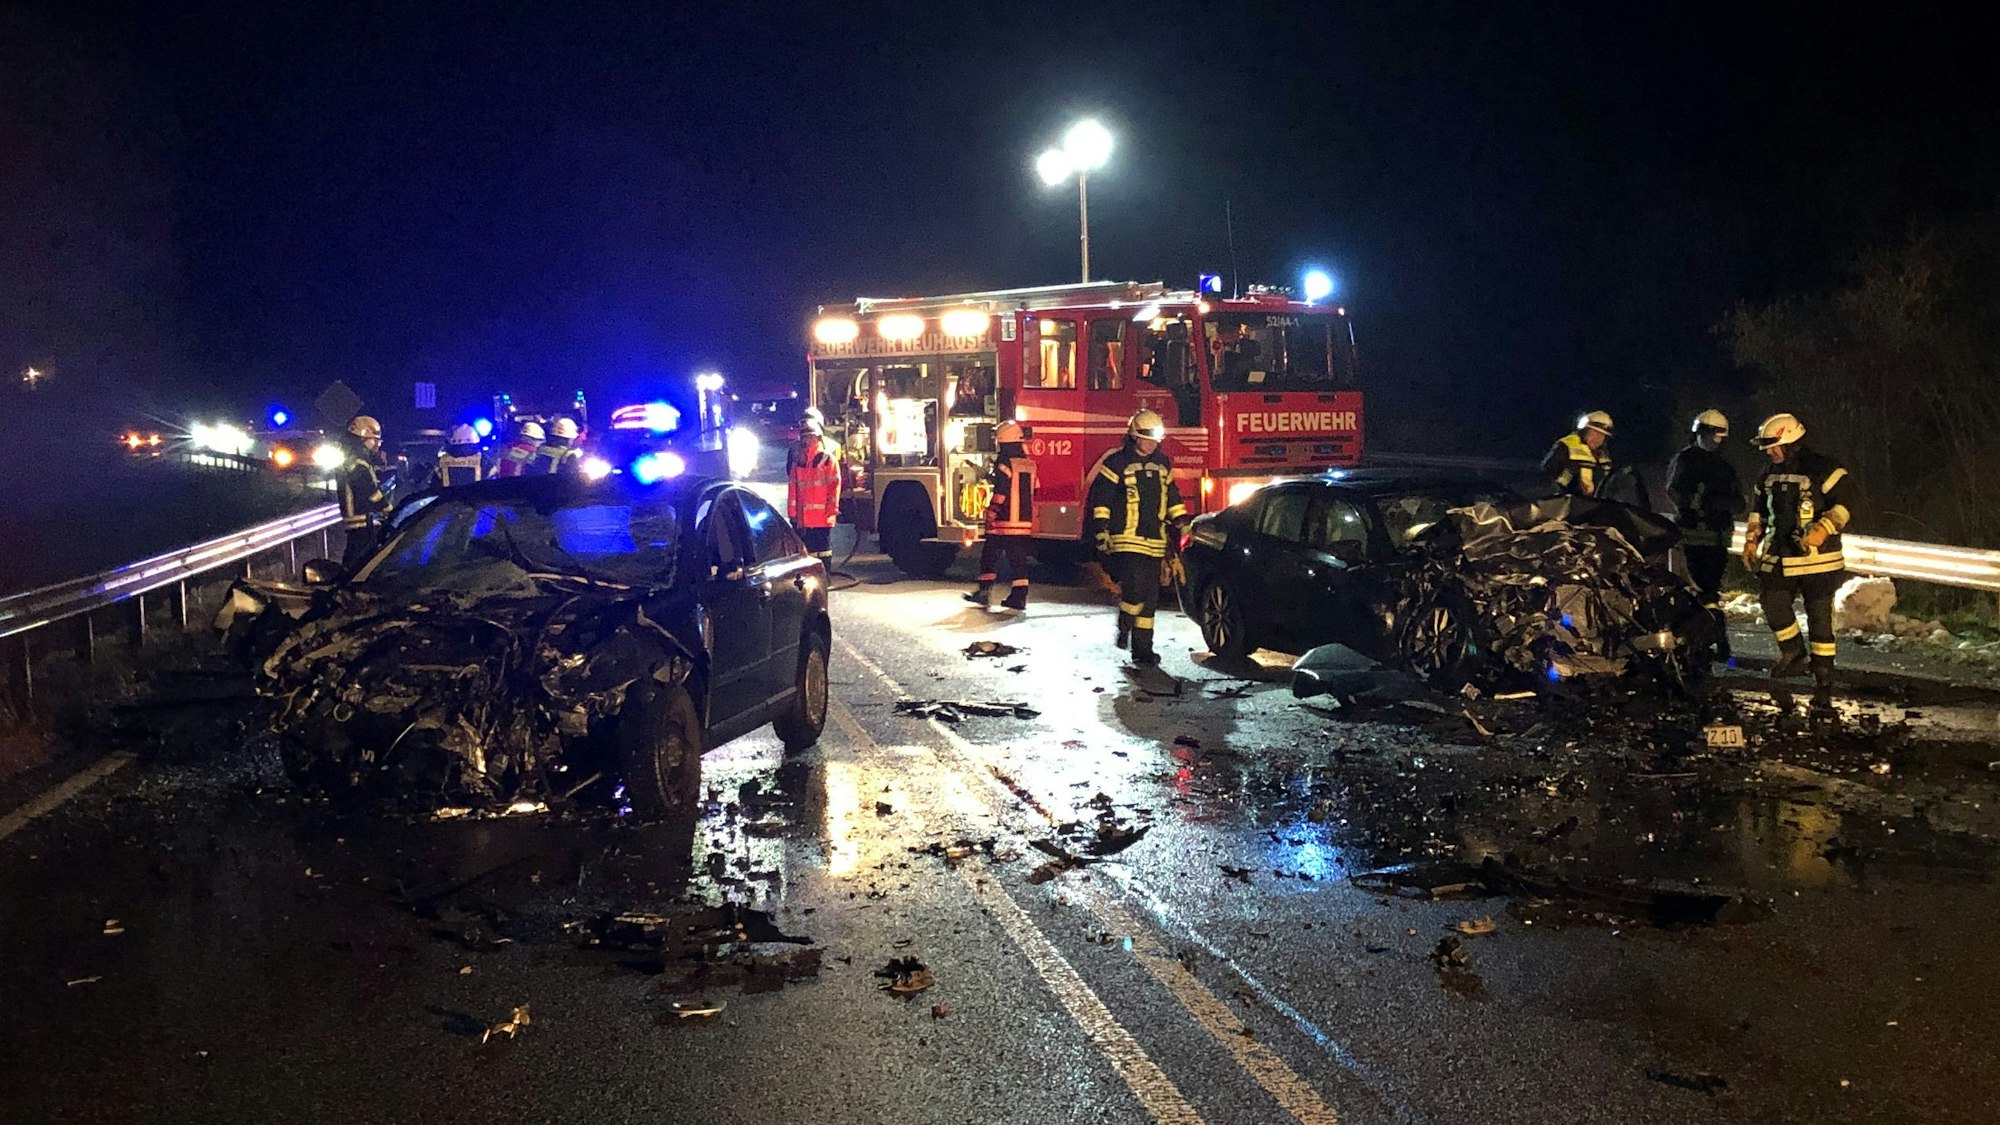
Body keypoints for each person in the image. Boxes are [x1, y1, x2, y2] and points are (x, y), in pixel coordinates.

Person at [1742, 413, 1852, 703]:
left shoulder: (1824, 469)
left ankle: (1823, 670)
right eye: (1766, 448)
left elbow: (1844, 506)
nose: (1769, 452)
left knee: (1819, 616)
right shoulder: (1767, 474)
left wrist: (1824, 528)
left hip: (1819, 559)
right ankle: (1792, 652)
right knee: (1772, 601)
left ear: (1790, 442)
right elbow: (1758, 511)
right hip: (1779, 553)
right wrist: (1751, 540)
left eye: (1773, 446)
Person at [1085, 409, 1187, 666]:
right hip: (1126, 538)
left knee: (1150, 600)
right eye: (1148, 439)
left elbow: (1172, 497)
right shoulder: (1116, 464)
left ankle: (1142, 650)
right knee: (1136, 589)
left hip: (1155, 540)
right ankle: (1125, 622)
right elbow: (1102, 499)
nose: (1152, 444)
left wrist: (1182, 522)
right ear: (1135, 437)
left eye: (1155, 440)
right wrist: (1101, 530)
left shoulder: (1163, 464)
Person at [1667, 409, 1744, 662]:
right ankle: (1703, 641)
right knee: (1696, 592)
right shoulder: (1686, 460)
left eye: (1720, 437)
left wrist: (1728, 504)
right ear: (1700, 434)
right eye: (1712, 435)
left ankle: (1711, 640)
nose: (1716, 441)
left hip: (1718, 538)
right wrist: (1698, 505)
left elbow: (1737, 500)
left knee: (1710, 592)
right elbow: (1676, 491)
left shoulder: (1725, 466)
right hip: (1692, 538)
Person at [965, 421, 1036, 610]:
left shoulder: (1005, 462)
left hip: (1004, 520)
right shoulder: (1028, 463)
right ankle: (1019, 598)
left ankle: (983, 592)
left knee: (990, 555)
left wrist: (992, 510)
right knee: (1019, 560)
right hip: (1024, 520)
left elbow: (1002, 490)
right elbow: (1035, 487)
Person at [337, 415, 392, 573]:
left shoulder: (352, 460)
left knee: (353, 561)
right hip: (361, 520)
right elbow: (371, 493)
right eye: (374, 440)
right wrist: (388, 509)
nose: (376, 445)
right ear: (363, 438)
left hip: (357, 521)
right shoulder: (358, 463)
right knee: (361, 565)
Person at [786, 419, 840, 567]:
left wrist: (831, 512)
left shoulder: (827, 460)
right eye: (804, 437)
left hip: (821, 518)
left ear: (817, 437)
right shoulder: (798, 462)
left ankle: (824, 576)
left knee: (822, 551)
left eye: (810, 436)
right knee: (806, 553)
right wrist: (792, 515)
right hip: (803, 519)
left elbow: (834, 487)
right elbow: (793, 490)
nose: (807, 440)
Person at [1542, 411, 1614, 497]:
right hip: (1567, 501)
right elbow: (1546, 478)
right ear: (1584, 430)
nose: (1598, 438)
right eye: (1595, 433)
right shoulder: (1566, 446)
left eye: (1602, 435)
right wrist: (1570, 475)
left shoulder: (1604, 455)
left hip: (1596, 504)